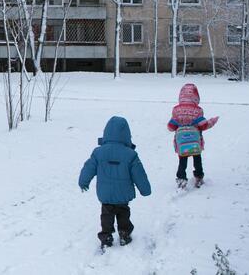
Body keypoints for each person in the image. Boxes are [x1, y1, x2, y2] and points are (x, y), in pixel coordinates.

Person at [78, 116, 151, 249]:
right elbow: (139, 174)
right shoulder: (130, 155)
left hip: (105, 195)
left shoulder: (98, 152)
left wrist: (83, 182)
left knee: (106, 216)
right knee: (124, 214)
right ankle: (124, 233)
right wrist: (145, 190)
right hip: (123, 195)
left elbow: (88, 168)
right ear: (127, 135)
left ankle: (106, 236)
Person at [167, 83, 219, 189]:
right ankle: (199, 177)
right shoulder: (197, 110)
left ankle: (181, 178)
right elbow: (203, 125)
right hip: (195, 141)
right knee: (197, 159)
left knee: (182, 161)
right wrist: (212, 122)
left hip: (182, 142)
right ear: (196, 97)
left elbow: (171, 126)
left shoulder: (176, 110)